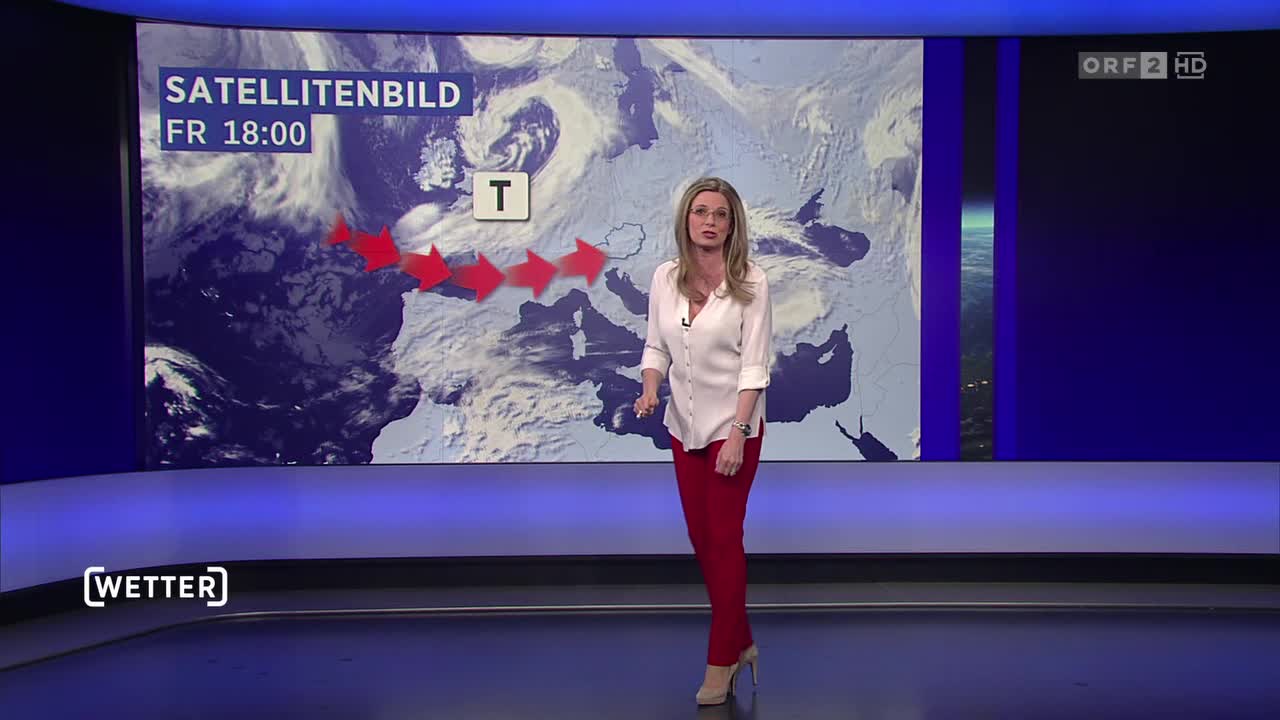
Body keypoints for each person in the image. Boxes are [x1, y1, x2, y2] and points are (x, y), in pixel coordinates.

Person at [633, 176, 773, 706]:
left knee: (724, 537)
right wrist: (651, 386)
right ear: (686, 220)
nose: (709, 222)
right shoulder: (665, 277)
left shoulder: (751, 282)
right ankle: (743, 641)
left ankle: (721, 661)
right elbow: (656, 346)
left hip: (733, 428)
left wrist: (738, 433)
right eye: (700, 212)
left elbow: (754, 367)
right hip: (683, 426)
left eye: (720, 214)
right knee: (701, 540)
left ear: (732, 224)